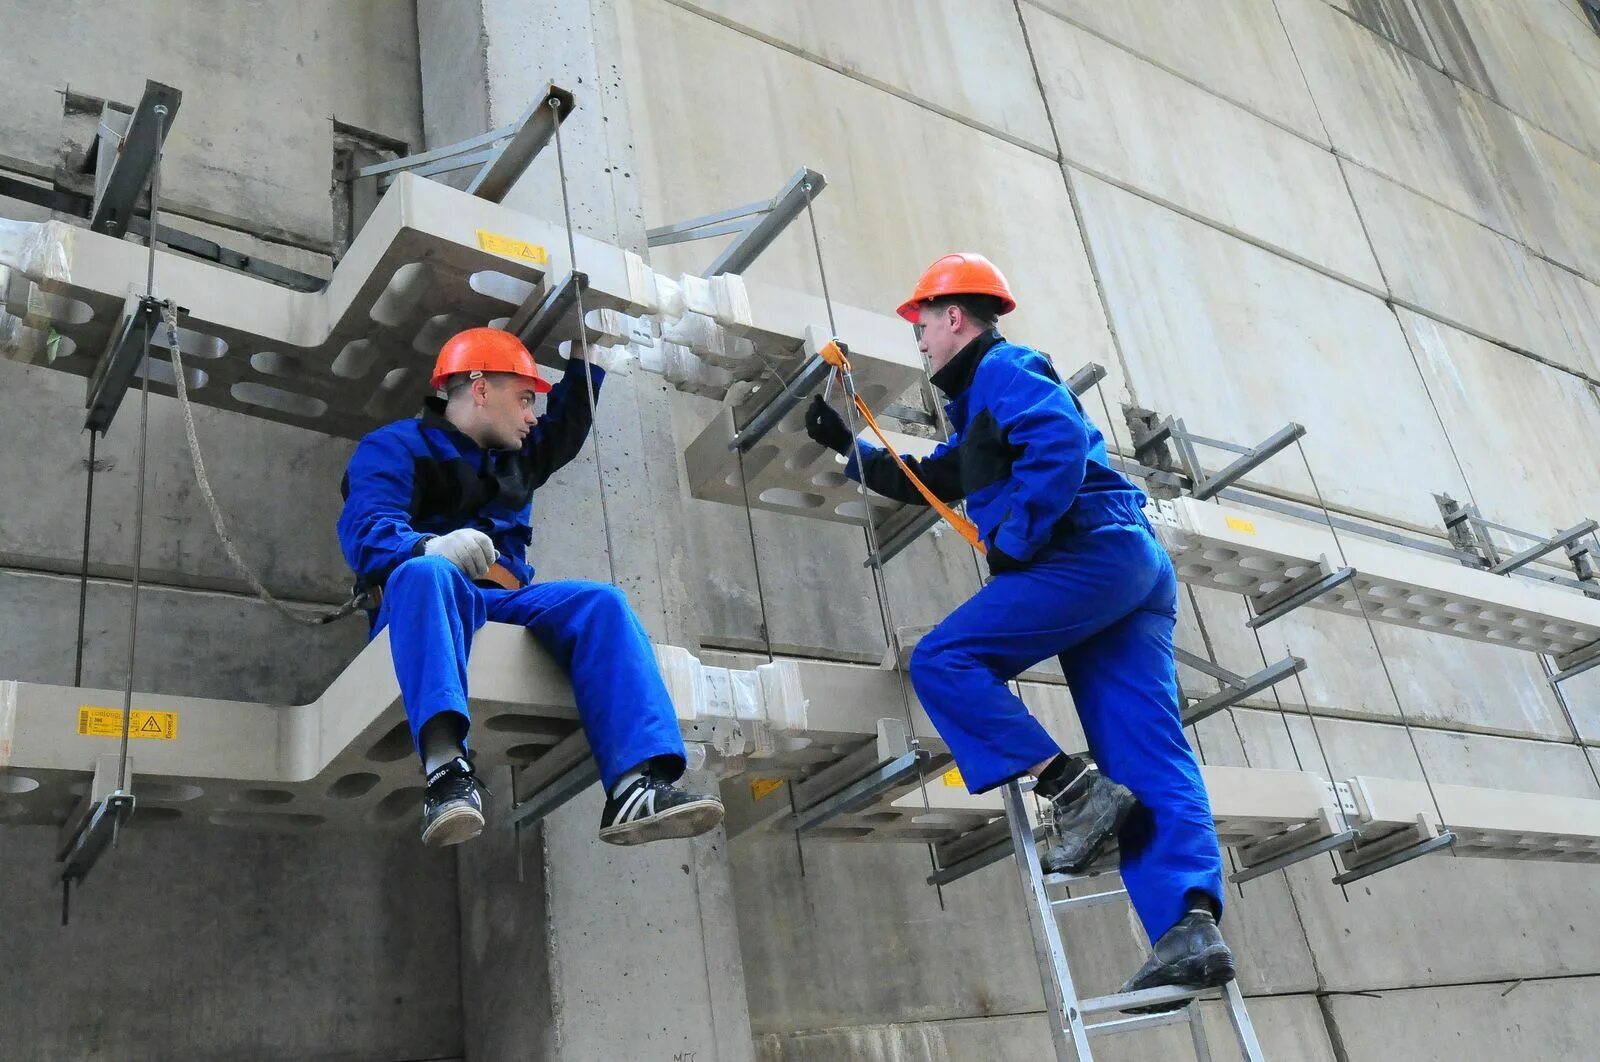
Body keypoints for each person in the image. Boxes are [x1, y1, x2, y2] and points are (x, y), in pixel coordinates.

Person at [804, 254, 1233, 999]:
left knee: (945, 660)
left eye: (924, 326)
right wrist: (851, 452)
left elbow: (1059, 447)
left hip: (1086, 554)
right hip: (1126, 565)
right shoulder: (980, 405)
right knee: (1143, 745)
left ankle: (1069, 789)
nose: (921, 342)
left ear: (956, 318)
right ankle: (1189, 924)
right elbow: (939, 477)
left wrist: (1019, 539)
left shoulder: (1005, 371)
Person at [337, 327, 724, 848]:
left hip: (504, 601)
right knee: (427, 574)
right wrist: (428, 548)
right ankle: (446, 772)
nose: (532, 415)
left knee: (600, 604)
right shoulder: (394, 447)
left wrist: (588, 356)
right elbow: (366, 528)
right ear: (479, 390)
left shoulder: (514, 459)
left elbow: (564, 426)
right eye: (523, 398)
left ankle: (635, 785)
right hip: (428, 601)